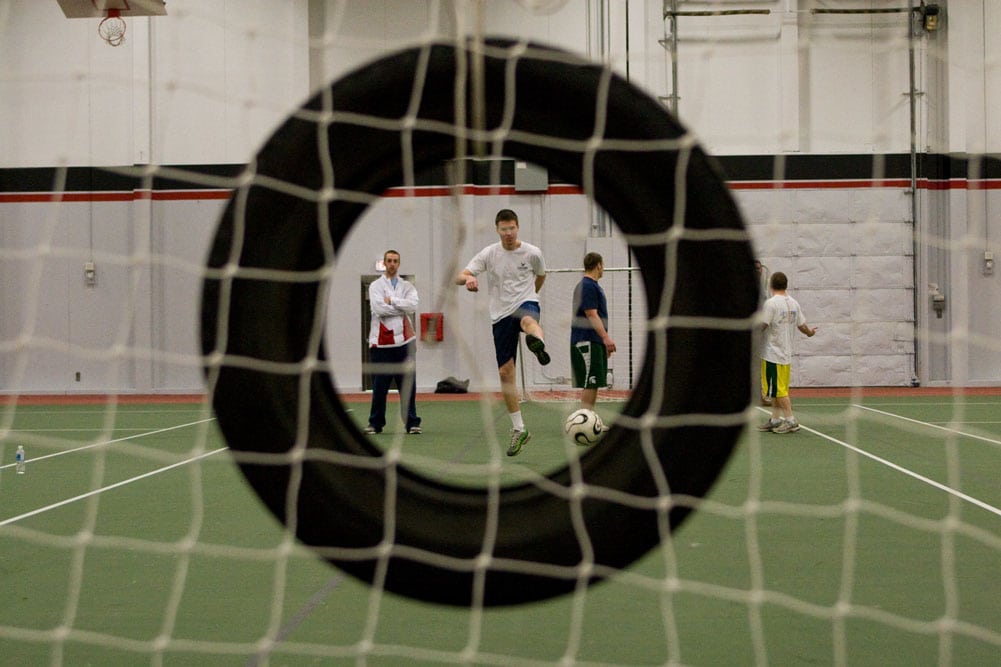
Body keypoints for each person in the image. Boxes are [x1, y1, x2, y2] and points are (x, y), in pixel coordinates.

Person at [456, 208, 549, 456]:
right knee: (505, 372)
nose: (508, 233)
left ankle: (538, 342)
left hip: (526, 301)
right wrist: (468, 280)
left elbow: (540, 276)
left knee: (528, 319)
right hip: (499, 314)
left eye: (512, 228)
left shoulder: (532, 253)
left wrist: (532, 294)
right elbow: (460, 275)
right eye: (504, 229)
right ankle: (519, 429)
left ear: (518, 227)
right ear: (497, 230)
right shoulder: (489, 253)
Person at [364, 249, 422, 435]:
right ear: (384, 263)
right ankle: (375, 423)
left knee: (408, 386)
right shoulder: (375, 286)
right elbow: (379, 309)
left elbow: (413, 306)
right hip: (381, 345)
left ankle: (411, 422)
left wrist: (392, 301)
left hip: (405, 343)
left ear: (399, 263)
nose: (392, 264)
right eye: (389, 260)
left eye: (395, 261)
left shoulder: (407, 286)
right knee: (379, 388)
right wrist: (400, 306)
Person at [758, 271, 817, 434]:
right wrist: (810, 333)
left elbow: (762, 324)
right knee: (777, 389)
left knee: (779, 390)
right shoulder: (793, 303)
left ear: (771, 286)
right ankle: (776, 420)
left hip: (772, 353)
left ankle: (790, 420)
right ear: (786, 285)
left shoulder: (771, 304)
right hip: (785, 354)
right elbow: (802, 325)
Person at [571, 252, 616, 410]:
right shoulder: (587, 285)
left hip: (593, 341)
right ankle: (584, 420)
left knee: (593, 382)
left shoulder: (593, 286)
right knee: (590, 382)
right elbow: (591, 313)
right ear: (599, 265)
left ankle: (589, 419)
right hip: (586, 341)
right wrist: (606, 338)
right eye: (602, 265)